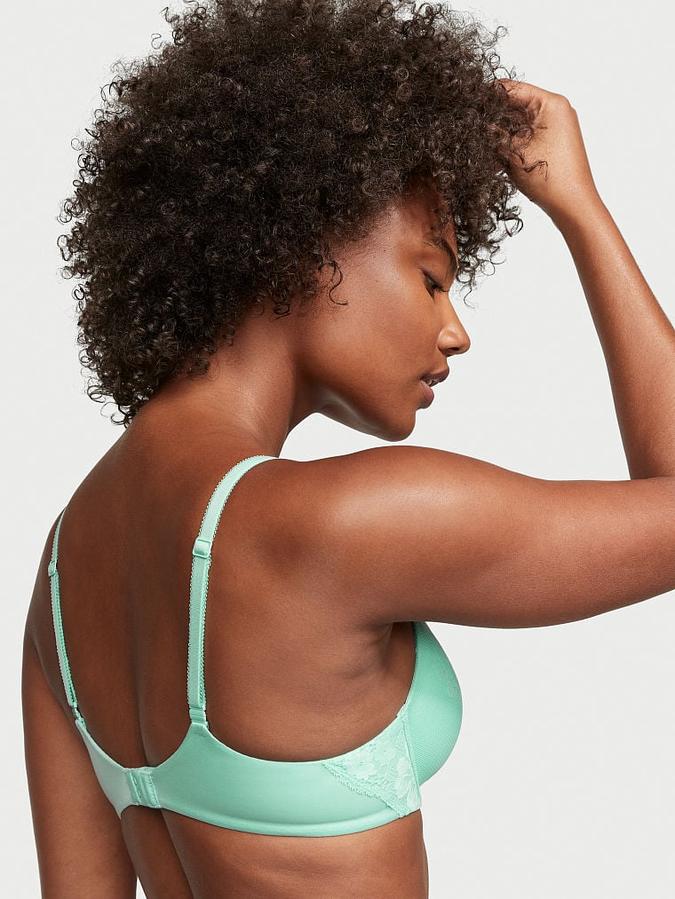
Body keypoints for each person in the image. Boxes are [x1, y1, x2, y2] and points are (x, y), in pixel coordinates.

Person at [21, 0, 674, 896]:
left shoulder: (64, 568)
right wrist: (579, 210)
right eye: (432, 277)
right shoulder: (344, 520)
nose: (455, 332)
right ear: (307, 237)